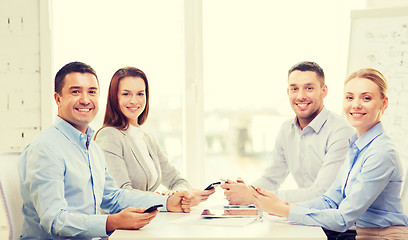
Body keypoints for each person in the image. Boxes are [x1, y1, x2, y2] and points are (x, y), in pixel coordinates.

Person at [18, 62, 192, 239]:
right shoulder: (45, 149)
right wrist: (112, 222)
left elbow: (113, 197)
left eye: (92, 92)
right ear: (58, 99)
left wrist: (167, 202)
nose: (85, 99)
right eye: (75, 91)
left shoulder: (91, 148)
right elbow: (55, 221)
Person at [250, 68, 408, 239]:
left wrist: (282, 210)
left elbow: (342, 219)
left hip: (383, 236)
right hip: (360, 234)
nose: (355, 104)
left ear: (384, 103)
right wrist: (285, 205)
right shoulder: (357, 145)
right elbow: (330, 200)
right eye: (349, 97)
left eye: (366, 98)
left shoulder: (381, 152)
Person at [221, 61, 354, 203]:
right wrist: (246, 191)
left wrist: (253, 197)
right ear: (288, 92)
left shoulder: (341, 132)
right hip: (305, 216)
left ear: (324, 90)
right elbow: (271, 179)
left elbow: (322, 193)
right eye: (294, 89)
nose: (301, 96)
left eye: (309, 88)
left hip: (335, 221)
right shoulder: (286, 129)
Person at [94, 66, 214, 206]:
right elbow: (121, 194)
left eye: (140, 94)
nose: (134, 101)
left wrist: (179, 194)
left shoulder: (147, 138)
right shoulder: (109, 136)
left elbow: (177, 180)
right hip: (122, 226)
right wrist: (166, 200)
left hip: (147, 223)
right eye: (126, 94)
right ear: (114, 97)